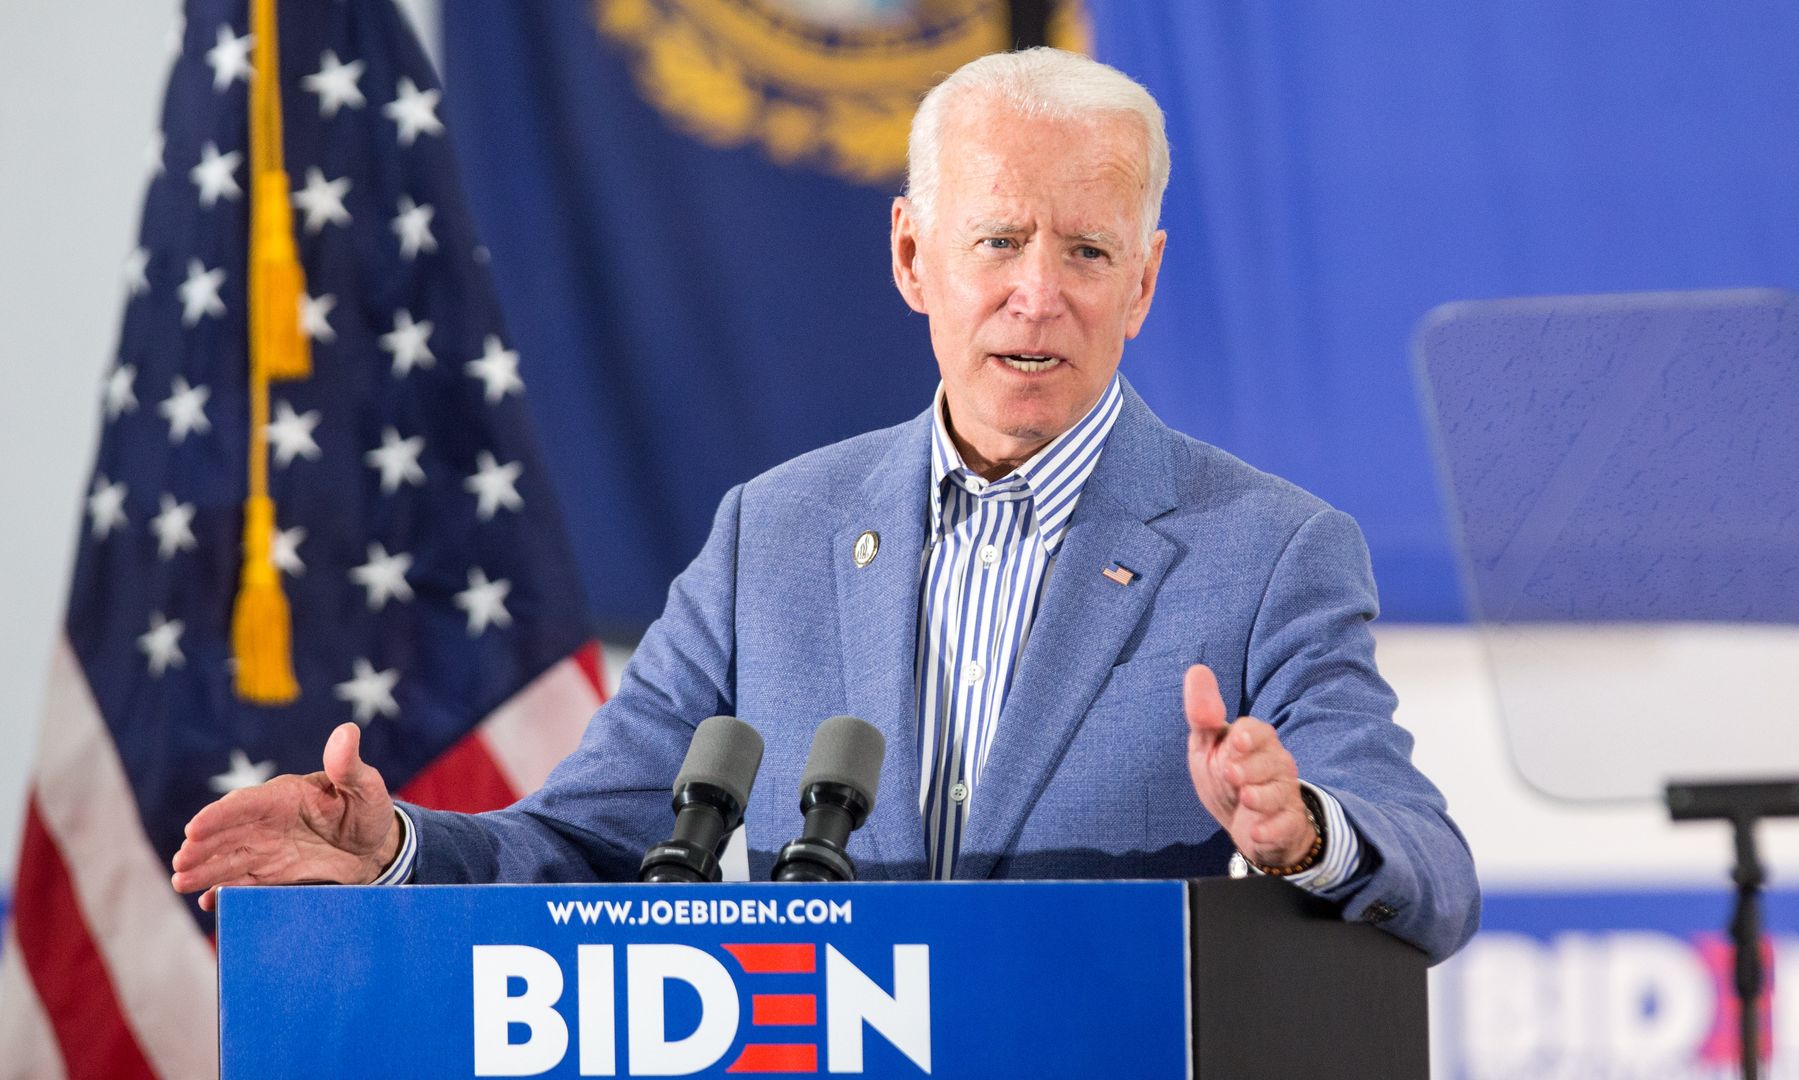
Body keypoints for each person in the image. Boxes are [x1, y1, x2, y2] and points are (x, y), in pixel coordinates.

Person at [172, 48, 1479, 961]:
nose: (1039, 294)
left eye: (1088, 252)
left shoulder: (1271, 553)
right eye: (998, 241)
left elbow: (1433, 868)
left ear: (1144, 283)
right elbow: (585, 844)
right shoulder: (772, 534)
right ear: (915, 256)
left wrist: (1305, 827)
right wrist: (394, 846)